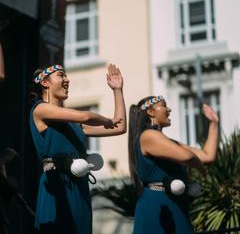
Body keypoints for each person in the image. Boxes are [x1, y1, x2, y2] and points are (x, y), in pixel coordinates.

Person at [29, 63, 126, 234]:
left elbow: (120, 127)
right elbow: (86, 115)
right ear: (45, 82)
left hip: (79, 188)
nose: (67, 80)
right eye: (61, 75)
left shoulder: (74, 124)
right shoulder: (40, 109)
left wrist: (117, 90)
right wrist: (107, 120)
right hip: (56, 186)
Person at [128, 95, 219, 234]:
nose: (169, 109)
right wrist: (201, 169)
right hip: (158, 206)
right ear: (151, 112)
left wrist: (214, 123)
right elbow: (187, 157)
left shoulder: (171, 143)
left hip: (175, 203)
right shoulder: (148, 136)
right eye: (164, 105)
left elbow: (208, 156)